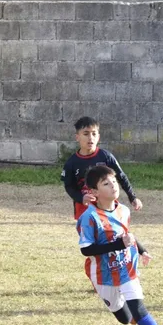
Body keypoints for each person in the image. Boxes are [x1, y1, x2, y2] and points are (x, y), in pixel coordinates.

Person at [77, 165, 163, 325]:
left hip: (127, 269)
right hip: (103, 276)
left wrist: (141, 250)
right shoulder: (89, 218)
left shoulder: (123, 210)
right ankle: (131, 315)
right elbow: (86, 250)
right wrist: (118, 245)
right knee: (124, 318)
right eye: (106, 183)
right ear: (94, 192)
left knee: (141, 311)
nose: (113, 185)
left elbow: (127, 234)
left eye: (114, 181)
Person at [62, 116, 142, 281]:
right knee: (93, 246)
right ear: (77, 137)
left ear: (98, 136)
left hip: (107, 210)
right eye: (85, 134)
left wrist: (132, 197)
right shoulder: (72, 163)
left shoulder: (106, 157)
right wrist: (81, 197)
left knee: (113, 240)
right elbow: (69, 186)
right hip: (86, 211)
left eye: (94, 134)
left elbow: (121, 176)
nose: (90, 138)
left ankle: (116, 272)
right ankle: (98, 274)